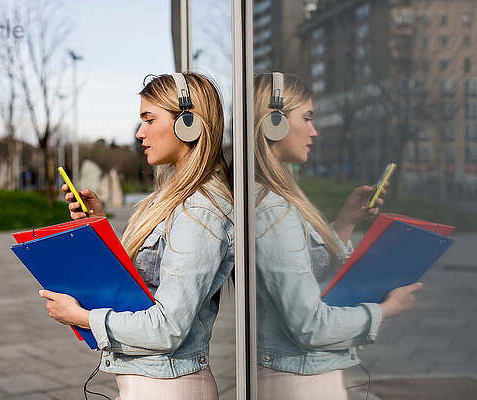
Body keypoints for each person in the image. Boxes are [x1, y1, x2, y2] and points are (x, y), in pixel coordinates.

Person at [39, 72, 234, 400]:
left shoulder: (199, 211)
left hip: (169, 389)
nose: (140, 133)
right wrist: (98, 224)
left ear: (189, 124)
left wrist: (83, 318)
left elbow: (168, 328)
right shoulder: (171, 198)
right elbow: (145, 282)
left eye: (149, 119)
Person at [253, 72, 422, 400]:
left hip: (296, 374)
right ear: (274, 123)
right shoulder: (271, 208)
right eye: (307, 118)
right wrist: (386, 310)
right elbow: (309, 325)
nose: (313, 131)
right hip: (299, 381)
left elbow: (298, 272)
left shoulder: (269, 199)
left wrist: (345, 222)